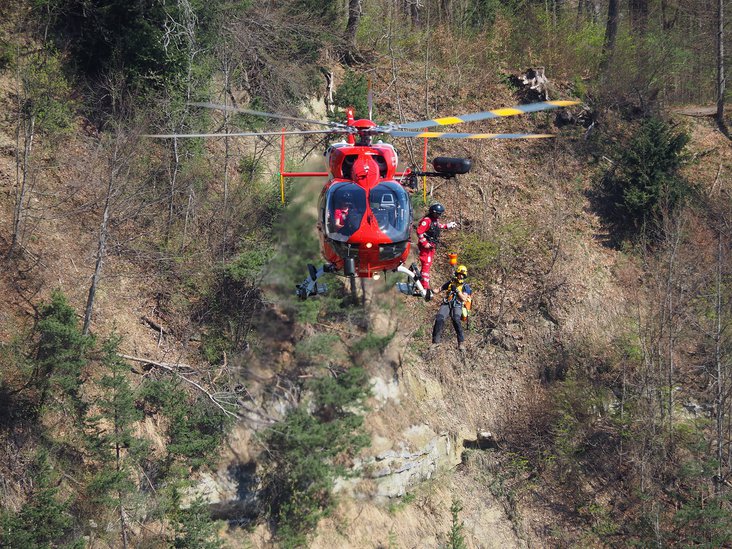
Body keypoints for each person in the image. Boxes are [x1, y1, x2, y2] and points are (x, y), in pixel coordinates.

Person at [416, 203, 458, 290]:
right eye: (438, 213)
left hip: (432, 246)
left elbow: (438, 226)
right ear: (433, 212)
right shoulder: (426, 220)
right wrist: (425, 243)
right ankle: (424, 286)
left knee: (428, 264)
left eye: (440, 214)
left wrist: (447, 226)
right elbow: (419, 232)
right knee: (426, 265)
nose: (439, 215)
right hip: (426, 247)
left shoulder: (435, 220)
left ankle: (420, 283)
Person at [432, 265, 472, 351]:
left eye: (462, 275)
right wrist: (430, 291)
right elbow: (439, 289)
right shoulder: (450, 282)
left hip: (457, 304)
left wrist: (457, 290)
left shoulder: (466, 286)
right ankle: (435, 342)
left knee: (456, 319)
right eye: (459, 274)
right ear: (457, 274)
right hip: (447, 303)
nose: (460, 276)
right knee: (439, 318)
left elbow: (464, 298)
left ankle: (461, 343)